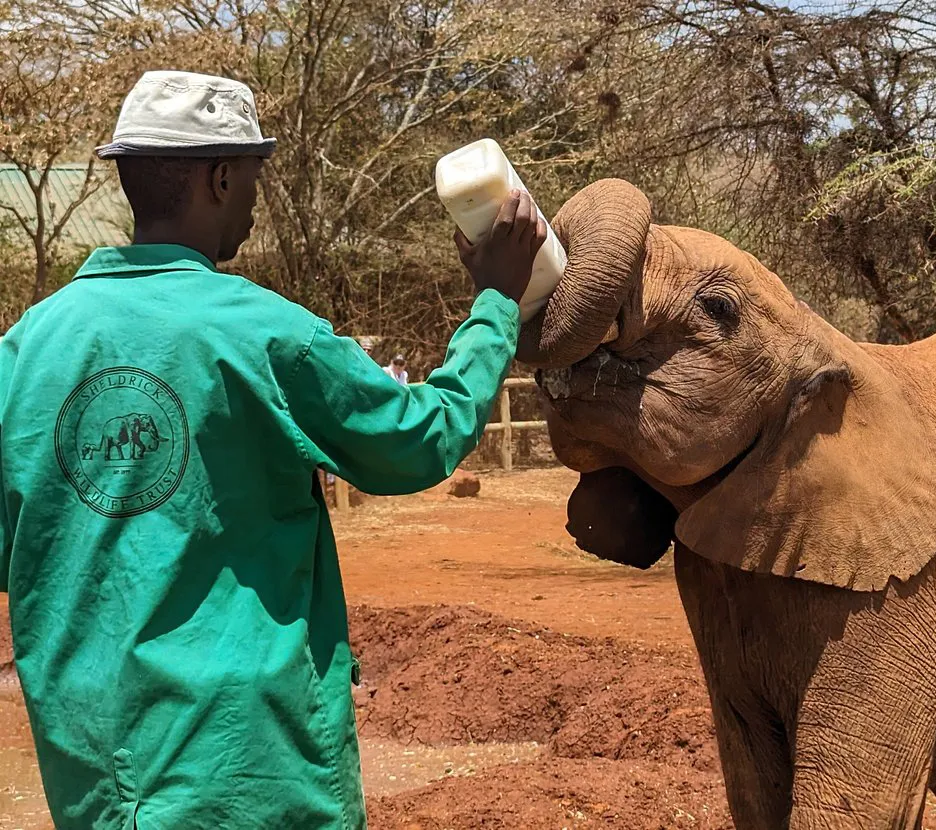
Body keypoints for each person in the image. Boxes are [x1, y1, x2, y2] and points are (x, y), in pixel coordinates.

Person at [0, 70, 545, 828]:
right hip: (247, 772)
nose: (256, 199)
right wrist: (496, 302)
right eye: (253, 176)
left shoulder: (24, 352)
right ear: (220, 177)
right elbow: (422, 438)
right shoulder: (265, 334)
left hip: (94, 776)